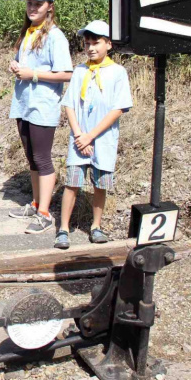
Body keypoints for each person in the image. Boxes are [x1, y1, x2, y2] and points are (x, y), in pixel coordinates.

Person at [55, 20, 133, 249]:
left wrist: (92, 136)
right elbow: (69, 104)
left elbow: (117, 109)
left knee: (100, 184)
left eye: (96, 42)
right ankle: (63, 228)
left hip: (103, 139)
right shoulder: (80, 70)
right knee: (72, 182)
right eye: (87, 43)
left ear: (108, 44)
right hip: (78, 139)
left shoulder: (118, 72)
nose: (90, 47)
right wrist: (80, 134)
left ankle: (96, 226)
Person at [6, 0, 73, 234]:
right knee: (31, 157)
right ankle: (35, 203)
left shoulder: (55, 36)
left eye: (38, 4)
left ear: (50, 7)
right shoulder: (29, 33)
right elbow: (28, 67)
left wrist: (31, 73)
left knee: (43, 158)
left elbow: (66, 73)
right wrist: (17, 66)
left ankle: (44, 213)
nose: (32, 8)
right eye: (29, 3)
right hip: (24, 104)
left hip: (43, 106)